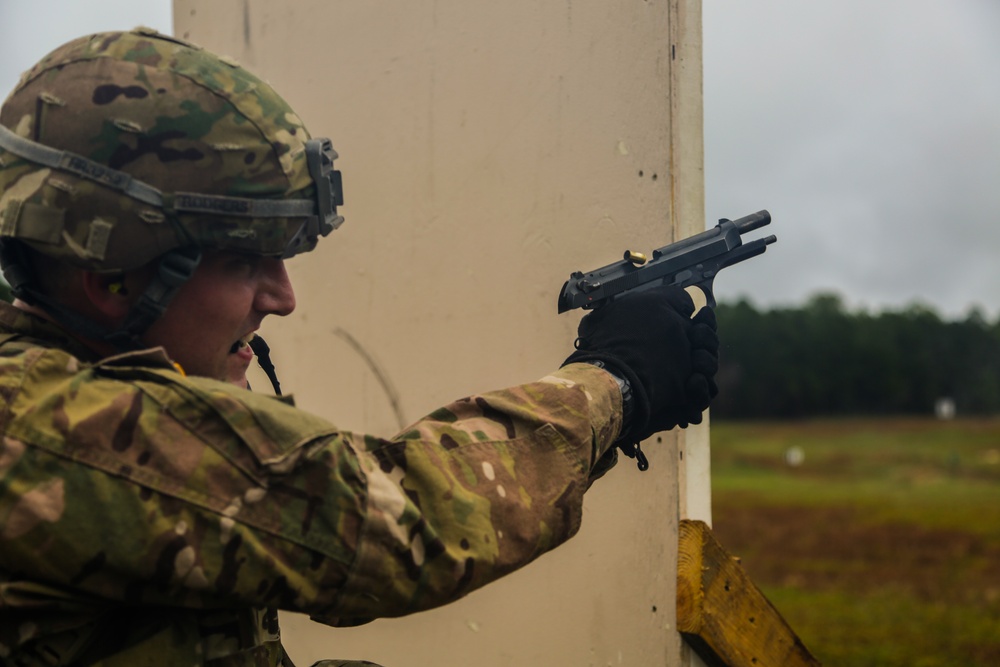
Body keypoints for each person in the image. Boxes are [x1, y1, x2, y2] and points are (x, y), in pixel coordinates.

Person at [0, 28, 719, 667]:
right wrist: (613, 384)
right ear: (111, 278)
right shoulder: (60, 431)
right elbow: (399, 525)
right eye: (244, 262)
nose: (282, 298)